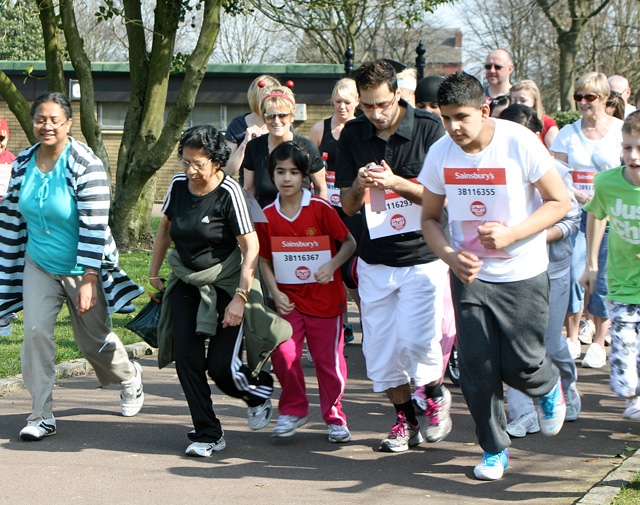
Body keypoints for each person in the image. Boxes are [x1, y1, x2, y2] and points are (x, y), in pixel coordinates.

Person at [420, 72, 571, 480]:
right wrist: (451, 256)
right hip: (470, 275)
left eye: (462, 117)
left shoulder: (518, 142)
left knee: (522, 362)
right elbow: (430, 219)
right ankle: (493, 449)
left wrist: (513, 233)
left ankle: (546, 385)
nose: (453, 127)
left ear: (484, 109)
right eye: (446, 117)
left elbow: (561, 201)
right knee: (476, 366)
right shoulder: (440, 153)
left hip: (522, 271)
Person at [0, 92, 145, 441]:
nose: (46, 126)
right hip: (39, 264)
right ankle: (41, 414)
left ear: (68, 123)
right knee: (34, 333)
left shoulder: (84, 162)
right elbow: (11, 214)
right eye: (40, 119)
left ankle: (129, 377)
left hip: (83, 265)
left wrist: (90, 278)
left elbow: (95, 224)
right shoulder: (23, 163)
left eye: (54, 120)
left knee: (93, 343)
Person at [336, 59, 452, 453]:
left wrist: (397, 183)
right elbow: (348, 207)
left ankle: (435, 394)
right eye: (367, 106)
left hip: (422, 257)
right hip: (375, 260)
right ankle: (406, 420)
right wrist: (360, 183)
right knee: (382, 354)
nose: (375, 114)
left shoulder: (429, 128)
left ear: (397, 94)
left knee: (418, 343)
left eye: (382, 104)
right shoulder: (353, 134)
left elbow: (443, 197)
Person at [150, 125, 286, 457]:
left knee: (222, 367)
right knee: (187, 359)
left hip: (227, 284)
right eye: (185, 162)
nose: (190, 171)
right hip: (186, 281)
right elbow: (166, 227)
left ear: (216, 161)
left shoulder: (230, 192)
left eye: (198, 163)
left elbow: (251, 246)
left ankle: (258, 392)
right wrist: (154, 273)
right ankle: (209, 432)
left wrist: (240, 299)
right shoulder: (179, 185)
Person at [256, 142, 357, 440]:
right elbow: (263, 260)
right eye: (280, 172)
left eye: (293, 172)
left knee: (329, 364)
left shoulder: (320, 208)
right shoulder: (267, 215)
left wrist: (333, 265)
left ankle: (335, 416)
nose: (286, 178)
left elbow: (349, 242)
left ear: (304, 177)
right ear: (272, 175)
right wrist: (275, 292)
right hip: (289, 302)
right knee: (284, 355)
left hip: (326, 302)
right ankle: (293, 410)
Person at [497, 104, 582, 437]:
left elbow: (572, 220)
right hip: (514, 269)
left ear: (534, 136)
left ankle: (566, 386)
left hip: (554, 268)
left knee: (547, 341)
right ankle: (523, 413)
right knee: (516, 342)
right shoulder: (497, 172)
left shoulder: (556, 170)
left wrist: (533, 236)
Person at [550, 72, 623, 368]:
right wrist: (575, 193)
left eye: (589, 97)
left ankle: (598, 342)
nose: (582, 102)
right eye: (578, 97)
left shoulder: (620, 131)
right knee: (574, 273)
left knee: (603, 276)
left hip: (610, 216)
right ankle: (571, 336)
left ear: (605, 99)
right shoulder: (568, 133)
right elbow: (555, 172)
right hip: (575, 214)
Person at [579, 110, 640, 420]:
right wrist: (591, 262)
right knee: (626, 350)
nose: (634, 155)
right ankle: (633, 395)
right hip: (622, 282)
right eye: (628, 147)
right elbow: (596, 213)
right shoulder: (607, 182)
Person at [309, 77, 361, 342]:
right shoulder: (320, 129)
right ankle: (342, 323)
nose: (342, 107)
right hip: (327, 206)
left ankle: (366, 318)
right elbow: (308, 166)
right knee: (331, 268)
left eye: (347, 102)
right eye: (337, 102)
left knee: (352, 270)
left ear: (357, 102)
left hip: (354, 206)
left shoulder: (363, 129)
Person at [243, 86, 327, 207]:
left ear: (292, 116)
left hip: (301, 218)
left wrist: (320, 217)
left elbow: (321, 188)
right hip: (265, 219)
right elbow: (249, 190)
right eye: (270, 116)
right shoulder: (254, 147)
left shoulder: (307, 147)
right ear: (264, 118)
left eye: (282, 115)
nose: (276, 121)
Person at [224, 74, 281, 177]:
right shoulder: (238, 125)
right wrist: (245, 144)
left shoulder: (282, 125)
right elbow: (226, 172)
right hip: (247, 190)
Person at [510, 79, 560, 148]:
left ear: (534, 101)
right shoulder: (507, 123)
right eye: (514, 100)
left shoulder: (547, 123)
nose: (518, 104)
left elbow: (556, 154)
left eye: (523, 100)